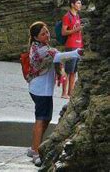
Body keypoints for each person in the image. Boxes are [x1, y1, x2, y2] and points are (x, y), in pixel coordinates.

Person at [26, 21, 83, 166]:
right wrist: (77, 53)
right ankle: (35, 151)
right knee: (41, 119)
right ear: (35, 37)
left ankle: (34, 147)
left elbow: (56, 56)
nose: (47, 34)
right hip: (41, 90)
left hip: (38, 88)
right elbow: (59, 56)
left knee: (45, 118)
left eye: (47, 31)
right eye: (43, 33)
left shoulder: (38, 46)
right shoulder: (42, 50)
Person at [61, 0, 83, 98]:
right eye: (78, 3)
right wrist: (77, 29)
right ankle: (64, 93)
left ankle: (71, 93)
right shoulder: (67, 16)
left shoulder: (77, 16)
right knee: (67, 70)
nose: (80, 5)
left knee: (74, 71)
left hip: (79, 46)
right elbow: (64, 32)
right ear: (72, 4)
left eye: (80, 3)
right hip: (71, 46)